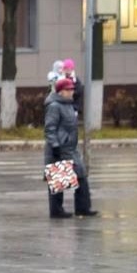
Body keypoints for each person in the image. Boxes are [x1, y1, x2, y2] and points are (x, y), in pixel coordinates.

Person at [44, 77, 97, 219]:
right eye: (68, 89)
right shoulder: (54, 106)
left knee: (81, 177)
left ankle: (83, 208)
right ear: (61, 91)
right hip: (59, 148)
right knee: (58, 182)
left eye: (72, 89)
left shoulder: (68, 105)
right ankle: (56, 211)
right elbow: (50, 128)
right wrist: (55, 145)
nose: (71, 92)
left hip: (70, 148)